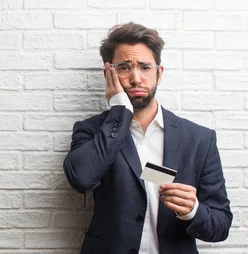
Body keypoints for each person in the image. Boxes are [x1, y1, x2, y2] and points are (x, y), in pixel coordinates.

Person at [63, 22, 232, 254]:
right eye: (124, 67)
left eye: (145, 67)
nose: (135, 78)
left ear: (159, 73)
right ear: (108, 74)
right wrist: (119, 110)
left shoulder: (199, 139)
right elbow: (81, 179)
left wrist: (193, 210)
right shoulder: (91, 130)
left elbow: (221, 225)